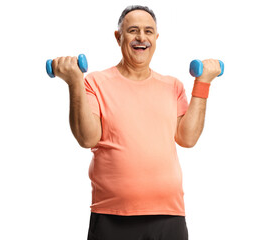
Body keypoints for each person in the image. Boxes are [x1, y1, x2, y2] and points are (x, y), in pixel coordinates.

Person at [51, 5, 221, 240]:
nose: (142, 37)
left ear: (156, 38)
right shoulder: (95, 83)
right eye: (133, 30)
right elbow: (87, 138)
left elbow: (187, 138)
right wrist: (74, 83)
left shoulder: (172, 86)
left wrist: (203, 83)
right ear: (118, 37)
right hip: (112, 216)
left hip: (169, 215)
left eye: (149, 31)